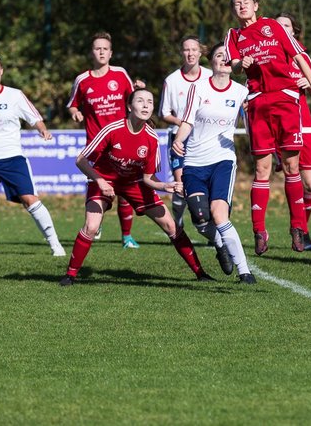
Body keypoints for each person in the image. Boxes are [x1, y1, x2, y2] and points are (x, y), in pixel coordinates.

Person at [60, 88, 210, 285]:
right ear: (129, 106)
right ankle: (70, 276)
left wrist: (166, 185)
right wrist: (100, 181)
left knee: (171, 225)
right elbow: (81, 160)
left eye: (150, 101)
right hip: (104, 180)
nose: (146, 104)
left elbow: (148, 178)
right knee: (92, 226)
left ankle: (201, 274)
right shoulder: (112, 129)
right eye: (140, 101)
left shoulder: (151, 138)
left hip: (135, 183)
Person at [224, 0, 311, 255]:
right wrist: (238, 63)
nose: (242, 7)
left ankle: (298, 228)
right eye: (237, 4)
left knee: (292, 167)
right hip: (257, 102)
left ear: (256, 6)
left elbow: (299, 55)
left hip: (285, 100)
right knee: (262, 170)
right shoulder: (234, 35)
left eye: (246, 2)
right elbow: (230, 64)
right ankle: (259, 230)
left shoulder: (272, 27)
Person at [0, 53, 66, 257]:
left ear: (2, 71)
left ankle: (55, 244)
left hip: (12, 159)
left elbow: (34, 118)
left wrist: (42, 129)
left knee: (30, 200)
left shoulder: (15, 95)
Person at [170, 43, 256, 284]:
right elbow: (186, 121)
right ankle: (219, 244)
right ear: (212, 62)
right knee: (200, 217)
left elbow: (251, 123)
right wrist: (178, 140)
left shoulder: (240, 92)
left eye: (228, 57)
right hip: (194, 162)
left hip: (223, 160)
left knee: (219, 215)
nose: (224, 60)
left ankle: (244, 271)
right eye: (219, 56)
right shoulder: (198, 88)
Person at [67, 32, 141, 248]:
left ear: (111, 53)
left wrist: (140, 88)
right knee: (98, 185)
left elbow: (133, 98)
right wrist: (75, 112)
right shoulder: (82, 80)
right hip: (96, 145)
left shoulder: (120, 74)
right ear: (92, 52)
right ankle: (94, 221)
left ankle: (127, 236)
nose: (101, 52)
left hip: (121, 142)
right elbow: (72, 103)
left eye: (105, 49)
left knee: (125, 190)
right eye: (97, 48)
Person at [275, 12, 311, 251]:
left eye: (286, 25)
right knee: (292, 177)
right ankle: (299, 231)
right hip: (281, 127)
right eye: (278, 25)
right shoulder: (268, 55)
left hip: (305, 125)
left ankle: (303, 229)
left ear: (294, 31)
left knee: (310, 185)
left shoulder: (301, 54)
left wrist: (308, 82)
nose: (282, 28)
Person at [159, 35, 208, 234]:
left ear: (200, 52)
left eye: (194, 49)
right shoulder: (172, 80)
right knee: (180, 186)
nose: (190, 53)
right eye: (186, 50)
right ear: (182, 52)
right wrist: (184, 122)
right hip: (179, 140)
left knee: (204, 184)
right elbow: (164, 113)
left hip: (204, 140)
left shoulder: (209, 76)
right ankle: (178, 222)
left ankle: (206, 221)